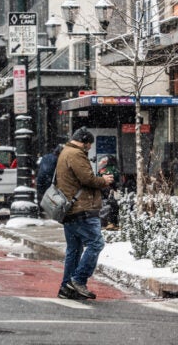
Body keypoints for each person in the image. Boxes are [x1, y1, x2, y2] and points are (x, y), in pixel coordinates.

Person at [56, 127, 114, 300]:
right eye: (89, 146)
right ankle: (78, 280)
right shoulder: (75, 154)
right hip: (81, 209)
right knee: (96, 243)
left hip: (69, 209)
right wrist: (104, 180)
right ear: (85, 142)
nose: (89, 149)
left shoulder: (65, 152)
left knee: (74, 249)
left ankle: (66, 288)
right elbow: (87, 179)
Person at [97, 156, 121, 230]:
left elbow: (108, 181)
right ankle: (112, 223)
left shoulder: (107, 170)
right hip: (110, 192)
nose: (100, 163)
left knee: (109, 206)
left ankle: (110, 223)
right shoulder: (113, 169)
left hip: (107, 193)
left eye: (102, 162)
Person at [36, 145, 63, 209]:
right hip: (49, 179)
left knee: (41, 194)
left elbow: (40, 166)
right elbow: (58, 171)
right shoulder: (57, 159)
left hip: (40, 178)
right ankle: (47, 209)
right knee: (49, 195)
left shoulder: (45, 157)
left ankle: (40, 208)